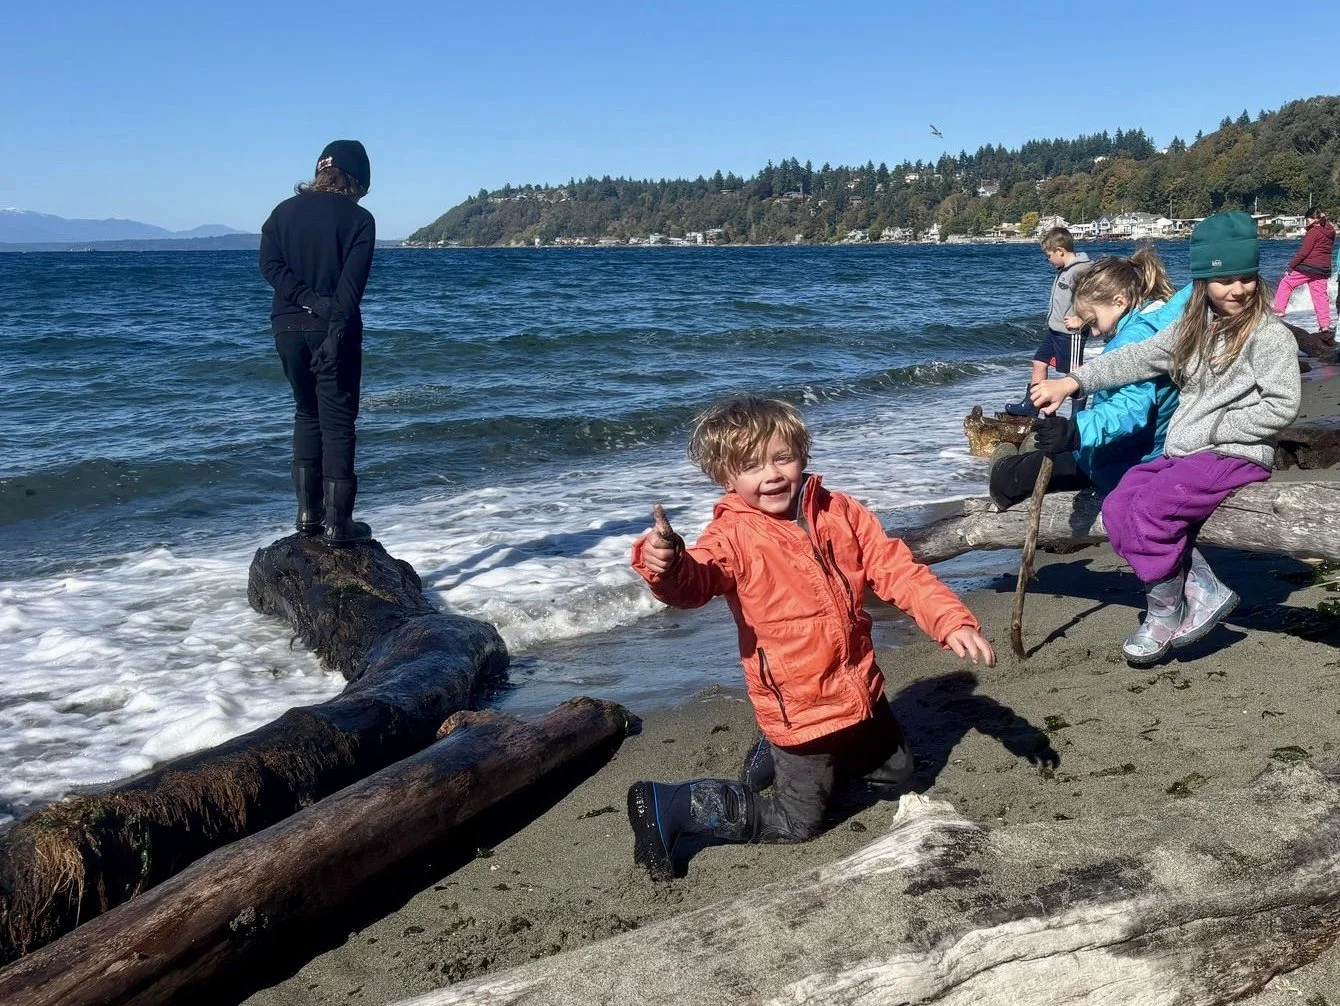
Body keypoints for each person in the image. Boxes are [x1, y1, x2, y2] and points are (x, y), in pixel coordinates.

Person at [626, 396, 995, 881]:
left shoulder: (838, 510)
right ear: (726, 478)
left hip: (859, 685)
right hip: (799, 703)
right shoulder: (732, 536)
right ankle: (671, 802)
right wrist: (666, 564)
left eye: (782, 458)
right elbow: (694, 584)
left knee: (897, 776)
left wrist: (950, 620)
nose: (772, 475)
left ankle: (772, 755)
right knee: (797, 823)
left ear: (802, 453)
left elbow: (895, 569)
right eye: (752, 466)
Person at [1031, 211, 1301, 667]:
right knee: (1118, 504)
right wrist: (1072, 384)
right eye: (1223, 280)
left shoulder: (1267, 335)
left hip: (1236, 452)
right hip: (1189, 451)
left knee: (1155, 507)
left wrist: (1212, 430)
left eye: (1245, 278)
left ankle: (1163, 612)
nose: (1236, 289)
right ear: (1201, 283)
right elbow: (1134, 359)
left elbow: (1282, 406)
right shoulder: (1193, 328)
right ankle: (1200, 590)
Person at [989, 247, 1192, 509]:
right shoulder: (1162, 318)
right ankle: (1019, 453)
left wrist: (1076, 431)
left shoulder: (1132, 339)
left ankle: (1003, 458)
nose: (1094, 333)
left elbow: (1131, 409)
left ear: (1120, 301)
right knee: (1037, 456)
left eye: (1093, 321)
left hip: (1119, 462)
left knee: (1005, 480)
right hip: (1144, 451)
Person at [260, 140, 377, 547]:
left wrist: (305, 300)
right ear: (356, 178)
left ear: (320, 171)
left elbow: (269, 266)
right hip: (335, 329)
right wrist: (331, 321)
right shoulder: (359, 220)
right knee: (339, 421)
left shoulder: (281, 214)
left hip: (286, 328)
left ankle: (308, 516)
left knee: (306, 413)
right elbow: (351, 289)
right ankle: (339, 525)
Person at [1003, 226, 1093, 417]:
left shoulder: (1082, 271)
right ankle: (1032, 406)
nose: (1048, 260)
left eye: (1049, 255)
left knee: (1074, 376)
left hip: (1072, 334)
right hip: (1054, 330)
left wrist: (1082, 320)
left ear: (1060, 251)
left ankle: (1077, 418)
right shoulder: (1064, 269)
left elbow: (1096, 299)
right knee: (1039, 362)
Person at [1273, 207, 1334, 337]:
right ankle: (1325, 326)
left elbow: (1303, 252)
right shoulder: (1330, 231)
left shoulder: (1313, 232)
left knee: (1286, 283)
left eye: (1307, 220)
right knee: (1320, 297)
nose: (1306, 223)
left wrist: (1291, 267)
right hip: (1323, 269)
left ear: (1313, 219)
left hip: (1309, 267)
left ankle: (1279, 310)